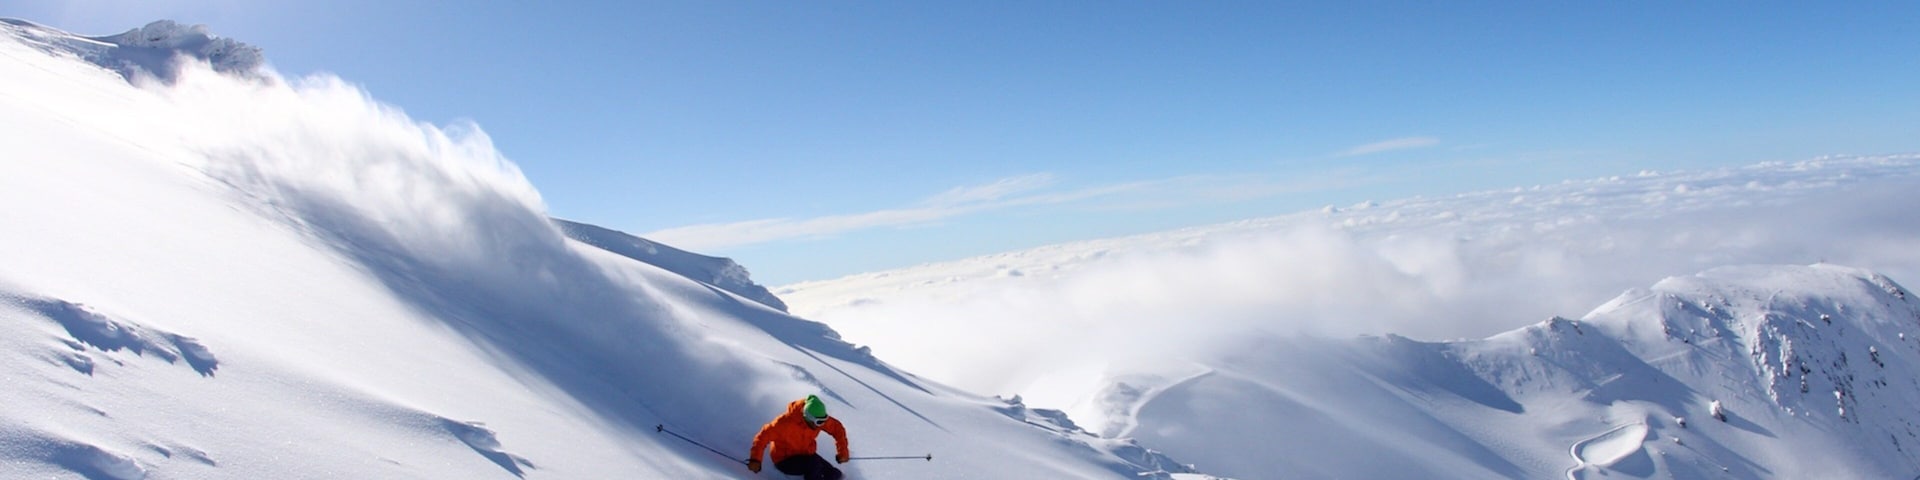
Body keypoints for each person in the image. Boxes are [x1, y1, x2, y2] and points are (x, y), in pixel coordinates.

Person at [748, 395, 850, 479]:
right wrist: (755, 460)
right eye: (819, 422)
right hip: (784, 460)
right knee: (813, 465)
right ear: (808, 417)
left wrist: (843, 452)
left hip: (806, 455)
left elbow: (837, 429)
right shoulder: (784, 423)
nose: (821, 424)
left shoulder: (817, 420)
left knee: (834, 474)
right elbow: (762, 437)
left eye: (823, 420)